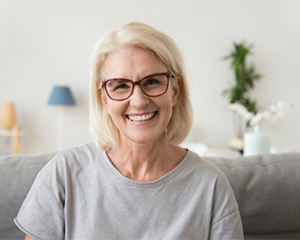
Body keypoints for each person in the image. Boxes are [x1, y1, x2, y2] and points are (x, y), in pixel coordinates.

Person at [15, 22, 243, 239]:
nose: (139, 101)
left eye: (152, 81)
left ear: (174, 91)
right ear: (104, 98)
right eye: (121, 86)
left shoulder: (211, 186)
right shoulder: (63, 173)